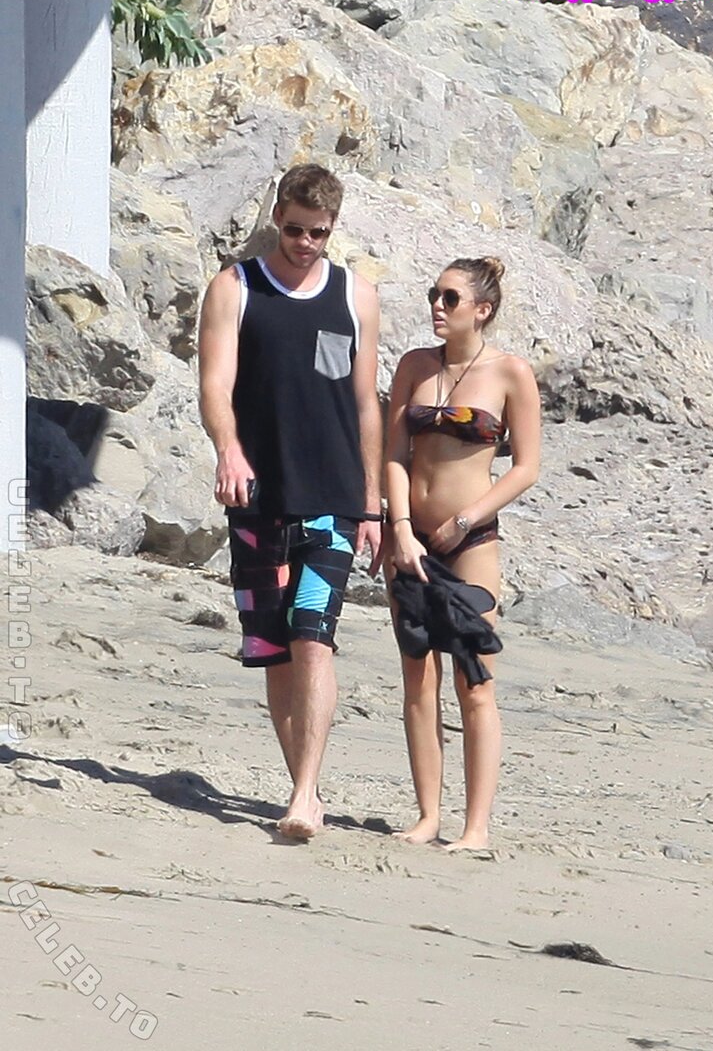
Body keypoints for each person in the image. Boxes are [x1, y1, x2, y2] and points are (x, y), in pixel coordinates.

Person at [198, 163, 383, 840]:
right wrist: (228, 449)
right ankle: (303, 783)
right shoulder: (235, 288)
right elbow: (214, 385)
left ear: (334, 229)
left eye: (319, 233)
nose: (306, 243)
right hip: (258, 495)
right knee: (274, 647)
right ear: (278, 216)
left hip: (333, 493)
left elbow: (365, 404)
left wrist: (372, 504)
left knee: (312, 634)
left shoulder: (356, 296)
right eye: (297, 229)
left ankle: (305, 794)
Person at [385, 257, 541, 851]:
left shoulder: (510, 373)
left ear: (482, 309)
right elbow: (393, 453)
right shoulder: (414, 366)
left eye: (450, 298)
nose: (437, 306)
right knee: (417, 678)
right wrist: (400, 526)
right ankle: (428, 815)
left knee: (474, 681)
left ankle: (475, 827)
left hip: (471, 542)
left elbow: (526, 466)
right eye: (434, 294)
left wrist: (466, 519)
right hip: (410, 540)